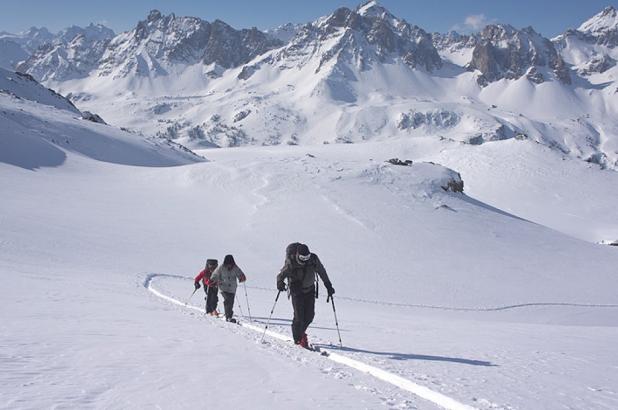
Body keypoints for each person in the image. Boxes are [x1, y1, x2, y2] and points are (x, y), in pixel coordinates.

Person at [276, 243, 334, 348]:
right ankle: (298, 339)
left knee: (309, 316)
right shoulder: (291, 262)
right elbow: (281, 275)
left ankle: (300, 333)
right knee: (299, 317)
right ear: (298, 255)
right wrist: (280, 283)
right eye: (303, 258)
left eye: (307, 257)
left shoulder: (313, 259)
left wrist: (328, 285)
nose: (305, 260)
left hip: (310, 290)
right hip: (296, 291)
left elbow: (322, 271)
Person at [210, 255, 247, 323]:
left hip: (232, 288)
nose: (229, 265)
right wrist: (213, 280)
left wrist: (242, 277)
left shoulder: (235, 268)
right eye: (228, 264)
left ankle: (229, 314)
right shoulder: (221, 267)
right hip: (223, 287)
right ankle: (228, 317)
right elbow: (215, 274)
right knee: (227, 300)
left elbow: (240, 274)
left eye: (230, 264)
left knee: (231, 302)